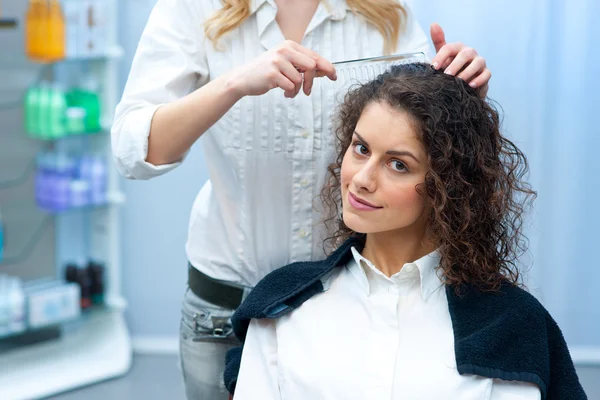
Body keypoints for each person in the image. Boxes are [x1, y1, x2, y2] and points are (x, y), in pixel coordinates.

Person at [112, 0, 492, 398]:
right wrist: (233, 84)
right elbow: (133, 151)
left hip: (343, 305)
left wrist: (461, 100)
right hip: (225, 311)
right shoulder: (194, 8)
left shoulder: (385, 11)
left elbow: (420, 139)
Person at [224, 63, 588, 399]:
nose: (362, 180)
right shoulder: (282, 306)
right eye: (361, 148)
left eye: (398, 164)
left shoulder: (509, 324)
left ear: (448, 185)